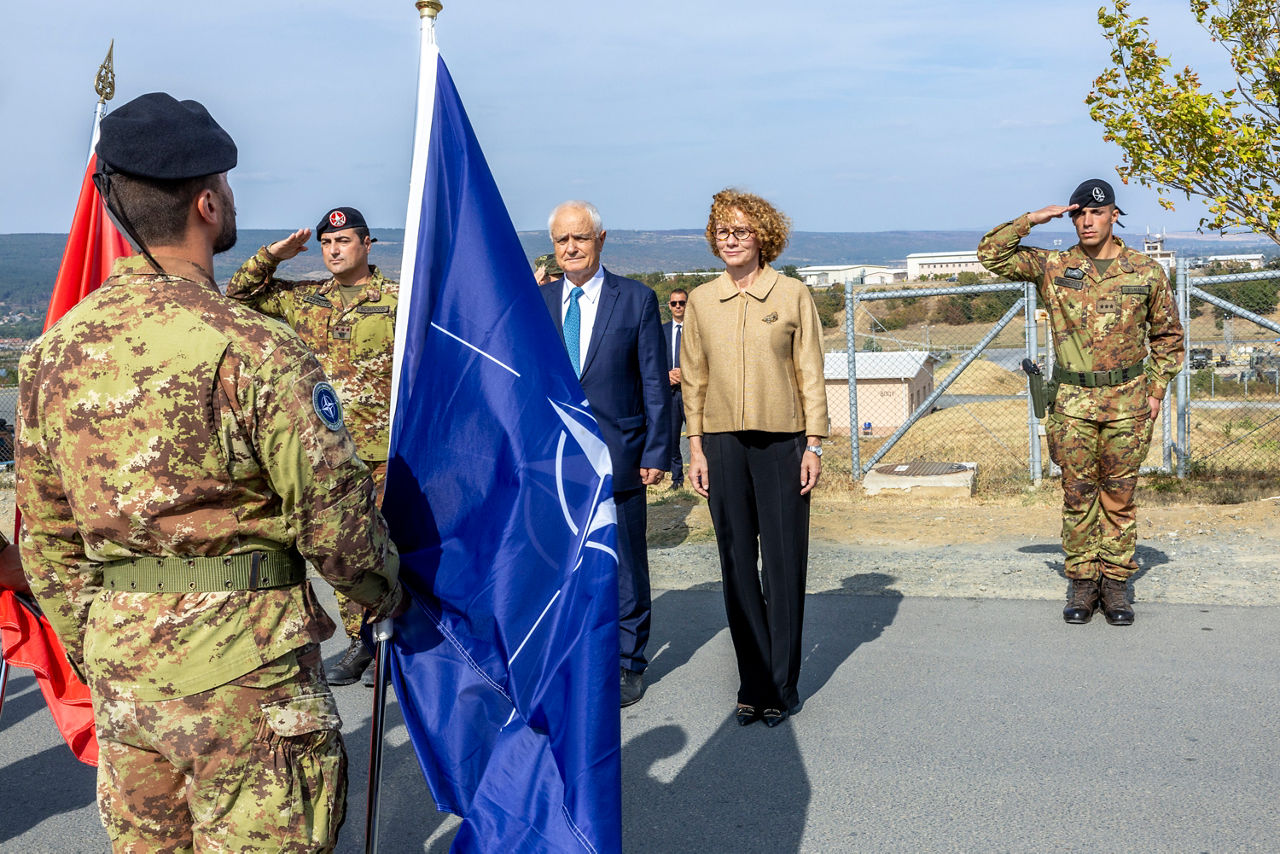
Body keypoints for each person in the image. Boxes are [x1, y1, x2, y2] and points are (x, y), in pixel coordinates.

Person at [15, 92, 405, 852]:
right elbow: (337, 526)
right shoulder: (255, 348)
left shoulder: (51, 356)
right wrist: (387, 591)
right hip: (249, 684)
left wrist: (101, 648)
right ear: (208, 201)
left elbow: (47, 543)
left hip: (127, 686)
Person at [977, 178, 1184, 626]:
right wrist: (1031, 220)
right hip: (1071, 403)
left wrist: (1156, 388)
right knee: (1077, 494)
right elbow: (990, 254)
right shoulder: (1054, 266)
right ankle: (1083, 581)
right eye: (1078, 214)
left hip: (1128, 400)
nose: (1086, 221)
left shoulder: (1145, 271)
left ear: (1114, 215)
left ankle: (1115, 585)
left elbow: (1168, 337)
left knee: (1119, 496)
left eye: (1095, 212)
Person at [227, 206, 397, 687]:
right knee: (341, 545)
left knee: (383, 544)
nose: (333, 250)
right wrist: (272, 256)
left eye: (343, 241)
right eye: (326, 243)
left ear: (367, 244)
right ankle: (364, 640)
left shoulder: (398, 298)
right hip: (326, 450)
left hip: (384, 449)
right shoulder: (307, 300)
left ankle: (390, 640)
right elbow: (238, 296)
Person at [681, 189, 828, 728]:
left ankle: (782, 684)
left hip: (783, 442)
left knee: (784, 563)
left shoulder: (791, 295)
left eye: (741, 230)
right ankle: (753, 682)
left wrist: (814, 444)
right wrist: (695, 446)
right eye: (722, 231)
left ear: (763, 236)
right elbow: (693, 378)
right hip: (721, 445)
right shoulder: (700, 300)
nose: (731, 239)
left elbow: (810, 372)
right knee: (737, 564)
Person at [539, 200, 670, 707]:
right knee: (562, 562)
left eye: (580, 238)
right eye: (561, 241)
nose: (571, 248)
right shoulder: (542, 303)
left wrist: (657, 449)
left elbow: (655, 382)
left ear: (600, 239)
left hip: (620, 457)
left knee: (626, 565)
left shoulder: (636, 299)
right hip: (555, 464)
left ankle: (628, 662)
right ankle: (574, 653)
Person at [662, 289, 688, 489]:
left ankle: (707, 477)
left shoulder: (697, 330)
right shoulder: (660, 331)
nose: (678, 306)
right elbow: (652, 361)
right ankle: (677, 479)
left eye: (682, 302)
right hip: (669, 393)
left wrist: (686, 375)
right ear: (669, 306)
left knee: (701, 437)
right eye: (674, 303)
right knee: (671, 438)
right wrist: (666, 376)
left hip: (691, 392)